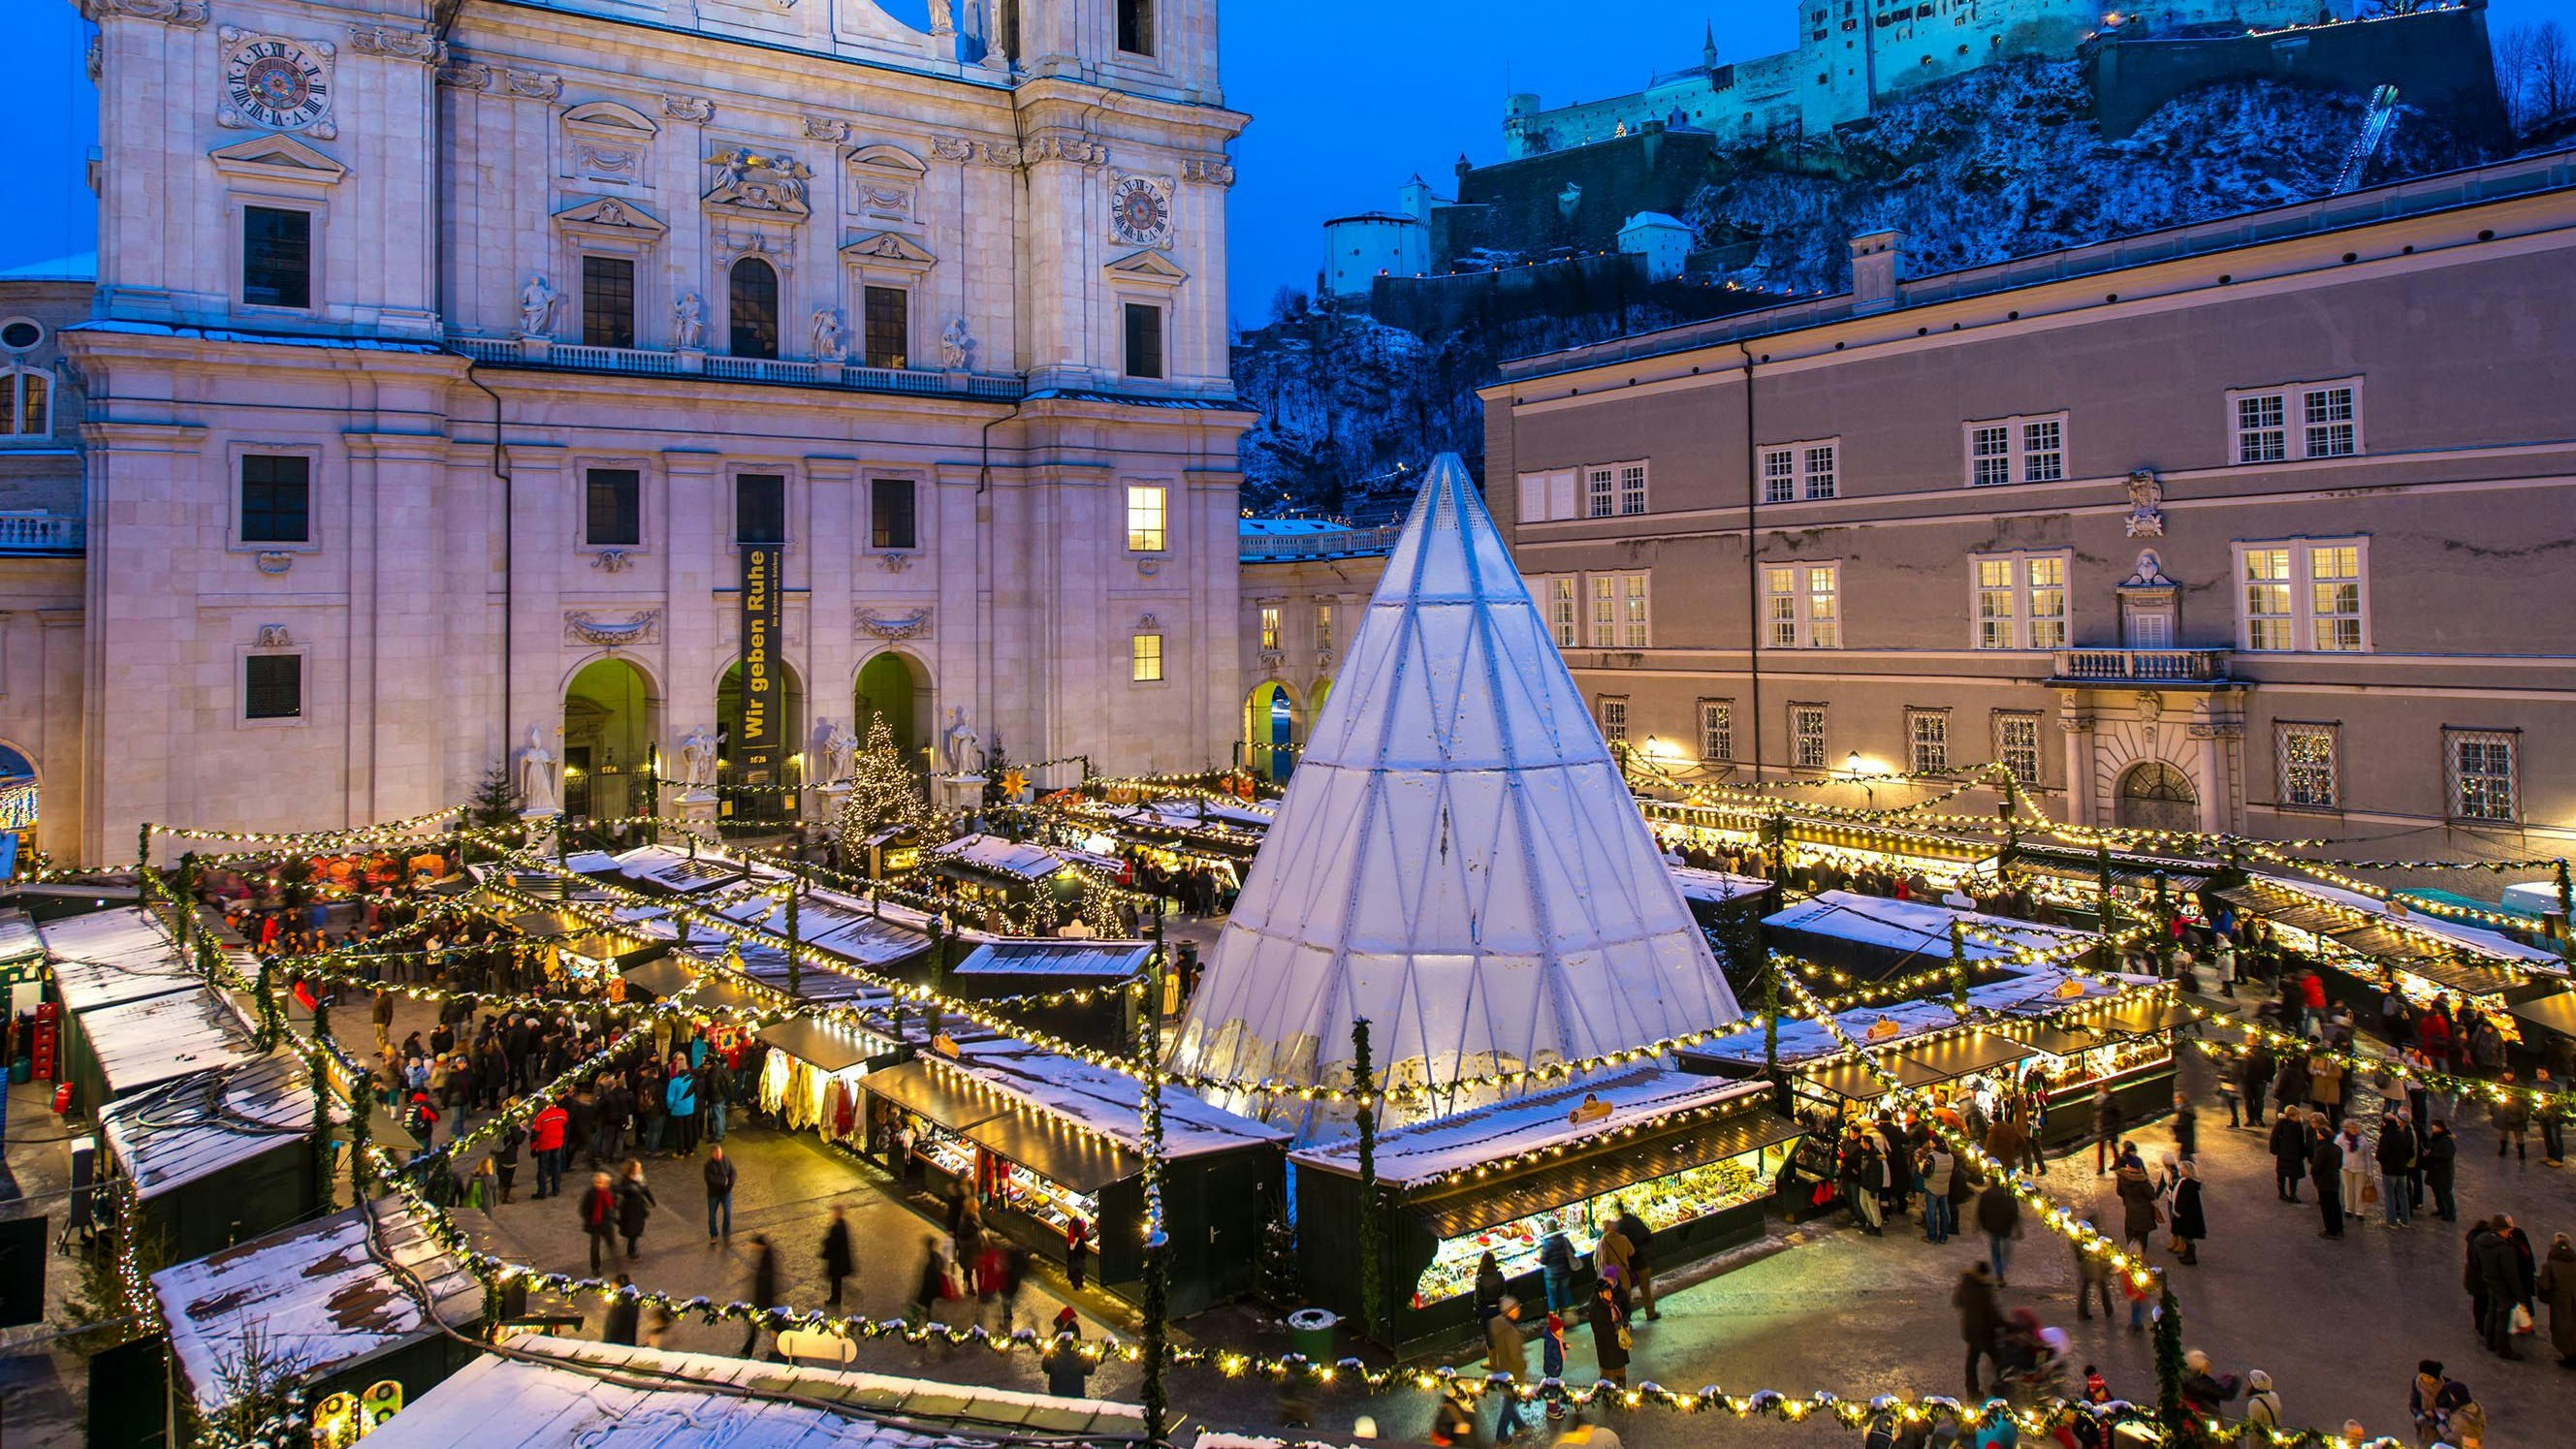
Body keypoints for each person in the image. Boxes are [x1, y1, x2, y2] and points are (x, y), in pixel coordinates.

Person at [2469, 1217, 2520, 1357]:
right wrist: (2519, 1294)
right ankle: (2504, 1349)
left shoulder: (2480, 1241)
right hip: (2503, 1287)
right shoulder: (2504, 1249)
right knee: (2503, 1319)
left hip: (2490, 1282)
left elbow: (2476, 1261)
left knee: (2491, 1312)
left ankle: (2490, 1341)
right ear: (2501, 1230)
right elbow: (2511, 1274)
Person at [1485, 1295, 1530, 1442]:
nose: (1519, 1310)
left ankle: (1519, 1425)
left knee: (1510, 1401)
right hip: (1513, 1372)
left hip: (1504, 1370)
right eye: (1516, 1308)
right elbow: (1514, 1356)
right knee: (1509, 1404)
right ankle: (1501, 1436)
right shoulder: (1509, 1331)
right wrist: (1523, 1365)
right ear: (1509, 1311)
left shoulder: (1499, 1326)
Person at [1955, 1262, 2003, 1398]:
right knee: (1998, 1360)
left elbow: (1957, 1301)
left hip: (1972, 1332)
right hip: (1986, 1333)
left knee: (1972, 1363)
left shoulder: (1966, 1286)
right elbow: (1992, 1313)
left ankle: (1972, 1393)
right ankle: (2001, 1387)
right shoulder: (1983, 1291)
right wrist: (2006, 1325)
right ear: (1983, 1275)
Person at [1611, 1201, 1658, 1321]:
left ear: (1618, 1211)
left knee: (1626, 1292)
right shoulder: (1636, 1221)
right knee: (1646, 1289)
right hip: (1642, 1261)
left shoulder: (1619, 1227)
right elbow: (1648, 1235)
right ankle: (1650, 1313)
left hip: (1628, 1266)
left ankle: (1626, 1317)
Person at [1975, 1176, 2020, 1285]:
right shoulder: (2009, 1195)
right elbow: (2014, 1212)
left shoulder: (1986, 1195)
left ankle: (1999, 1273)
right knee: (2006, 1251)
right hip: (2005, 1227)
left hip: (1992, 1228)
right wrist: (2017, 1227)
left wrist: (1980, 1224)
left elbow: (1981, 1211)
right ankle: (2001, 1272)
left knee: (1996, 1251)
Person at [2375, 1109, 2416, 1230]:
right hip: (2402, 1170)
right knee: (2403, 1195)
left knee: (2390, 1196)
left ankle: (2391, 1222)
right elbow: (2411, 1152)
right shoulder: (2405, 1135)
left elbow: (2380, 1155)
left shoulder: (2386, 1136)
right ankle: (2405, 1221)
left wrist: (2383, 1162)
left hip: (2389, 1170)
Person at [1586, 1276, 1630, 1388]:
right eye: (1606, 1293)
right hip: (1606, 1347)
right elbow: (1598, 1329)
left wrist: (1624, 1322)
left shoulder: (1614, 1303)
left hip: (1618, 1344)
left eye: (1610, 1291)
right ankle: (1608, 1392)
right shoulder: (1595, 1309)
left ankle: (1622, 1389)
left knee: (1621, 1370)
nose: (1610, 1294)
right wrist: (1614, 1328)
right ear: (1600, 1294)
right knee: (1608, 1373)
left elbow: (1623, 1313)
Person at [2308, 1114, 2345, 1239]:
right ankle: (2339, 1228)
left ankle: (2330, 1230)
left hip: (2324, 1180)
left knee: (2326, 1206)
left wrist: (2315, 1175)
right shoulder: (2337, 1148)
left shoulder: (2322, 1149)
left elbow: (2317, 1167)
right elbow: (2339, 1164)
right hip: (2334, 1179)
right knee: (2335, 1204)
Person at [1043, 1308, 1094, 1398]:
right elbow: (1089, 1370)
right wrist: (1089, 1356)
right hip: (1076, 1395)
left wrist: (1048, 1353)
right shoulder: (1080, 1351)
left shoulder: (1054, 1350)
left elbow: (1045, 1368)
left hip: (1056, 1394)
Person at [743, 1234, 778, 1357]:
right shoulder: (766, 1256)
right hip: (764, 1300)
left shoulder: (767, 1259)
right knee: (765, 1325)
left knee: (761, 1325)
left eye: (754, 1246)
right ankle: (748, 1351)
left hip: (764, 1300)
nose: (753, 1249)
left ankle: (747, 1352)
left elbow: (765, 1281)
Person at [616, 1158, 656, 1261]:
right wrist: (628, 1189)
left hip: (638, 1208)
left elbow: (645, 1190)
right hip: (629, 1210)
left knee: (636, 1229)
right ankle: (631, 1252)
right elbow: (619, 1191)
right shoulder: (625, 1181)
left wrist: (652, 1201)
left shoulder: (640, 1179)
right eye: (638, 1167)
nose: (640, 1168)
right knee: (633, 1231)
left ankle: (632, 1247)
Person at [530, 1095, 570, 1201]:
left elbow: (534, 1134)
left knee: (543, 1169)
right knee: (556, 1167)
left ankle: (542, 1192)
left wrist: (533, 1149)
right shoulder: (563, 1113)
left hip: (544, 1146)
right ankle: (556, 1190)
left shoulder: (541, 1116)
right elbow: (565, 1126)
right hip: (557, 1144)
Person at [580, 1171, 618, 1275]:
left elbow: (613, 1203)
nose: (604, 1185)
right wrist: (590, 1220)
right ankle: (595, 1267)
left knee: (611, 1243)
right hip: (595, 1224)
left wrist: (613, 1214)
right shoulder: (591, 1194)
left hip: (606, 1222)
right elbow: (584, 1209)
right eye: (601, 1183)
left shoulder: (609, 1192)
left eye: (606, 1183)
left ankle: (615, 1261)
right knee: (595, 1247)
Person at [2170, 1159, 2206, 1265]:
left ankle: (2191, 1256)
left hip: (2187, 1216)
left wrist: (2178, 1211)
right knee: (2185, 1235)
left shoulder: (2188, 1184)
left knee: (2188, 1236)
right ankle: (2188, 1254)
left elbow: (2184, 1200)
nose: (2180, 1171)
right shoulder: (2186, 1182)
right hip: (2185, 1214)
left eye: (2182, 1169)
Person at [1538, 1215, 1577, 1310]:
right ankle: (1570, 1312)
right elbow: (1573, 1251)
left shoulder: (1546, 1243)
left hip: (1551, 1275)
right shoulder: (1564, 1240)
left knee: (1552, 1296)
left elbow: (1543, 1261)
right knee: (1565, 1291)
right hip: (1565, 1272)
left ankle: (1554, 1315)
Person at [1921, 1141, 1956, 1244]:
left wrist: (1922, 1168)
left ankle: (1932, 1236)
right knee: (1944, 1213)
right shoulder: (1950, 1156)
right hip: (1944, 1187)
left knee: (1931, 1213)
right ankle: (1943, 1236)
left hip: (1932, 1188)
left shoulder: (1932, 1157)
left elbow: (1926, 1173)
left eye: (1932, 1143)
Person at [2424, 1119, 2460, 1221]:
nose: (2432, 1127)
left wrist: (2432, 1154)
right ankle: (2441, 1209)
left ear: (2440, 1128)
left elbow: (2448, 1155)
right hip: (2436, 1170)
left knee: (2445, 1193)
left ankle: (2450, 1214)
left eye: (2434, 1126)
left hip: (2444, 1172)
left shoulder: (2446, 1140)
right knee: (2437, 1191)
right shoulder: (2436, 1137)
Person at [2269, 1112, 2308, 1203]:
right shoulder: (2281, 1123)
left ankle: (2293, 1194)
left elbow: (2301, 1139)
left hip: (2295, 1153)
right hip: (2284, 1152)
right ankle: (2282, 1193)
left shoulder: (2298, 1124)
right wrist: (2274, 1149)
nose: (2299, 1117)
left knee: (2293, 1175)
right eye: (2297, 1115)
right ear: (2291, 1116)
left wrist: (2302, 1152)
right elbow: (2274, 1136)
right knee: (2282, 1173)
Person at [2434, 1379, 2485, 1449]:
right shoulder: (2474, 1408)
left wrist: (2441, 1427)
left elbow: (2454, 1439)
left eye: (2450, 1395)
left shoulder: (2461, 1418)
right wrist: (2448, 1413)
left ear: (2454, 1397)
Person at [2073, 1237, 2115, 1321]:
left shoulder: (2082, 1236)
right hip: (2093, 1262)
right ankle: (2108, 1309)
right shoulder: (2087, 1236)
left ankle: (2083, 1312)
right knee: (2100, 1285)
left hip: (2089, 1262)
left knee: (2087, 1286)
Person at [821, 1204, 855, 1307]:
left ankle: (835, 1299)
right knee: (836, 1280)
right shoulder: (842, 1225)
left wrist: (826, 1242)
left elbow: (834, 1243)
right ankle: (835, 1298)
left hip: (836, 1260)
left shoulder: (837, 1227)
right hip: (839, 1259)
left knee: (835, 1280)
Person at [2491, 1076, 2529, 1163]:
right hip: (2504, 1114)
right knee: (2504, 1132)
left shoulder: (2519, 1086)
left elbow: (2524, 1103)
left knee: (2518, 1134)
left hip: (2517, 1115)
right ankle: (2503, 1149)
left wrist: (2524, 1116)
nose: (2508, 1076)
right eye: (2506, 1074)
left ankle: (2521, 1152)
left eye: (2510, 1074)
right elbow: (2493, 1100)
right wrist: (2493, 1111)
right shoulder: (2499, 1085)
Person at [2408, 1361, 2447, 1447]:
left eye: (2429, 1377)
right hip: (2423, 1425)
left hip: (2440, 1425)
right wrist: (2422, 1414)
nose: (2426, 1379)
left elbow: (2448, 1407)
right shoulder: (2417, 1384)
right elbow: (2413, 1405)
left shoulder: (2446, 1386)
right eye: (2423, 1376)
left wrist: (2435, 1413)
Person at [2240, 1369, 2280, 1447]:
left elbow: (2253, 1431)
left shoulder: (2254, 1404)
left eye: (2249, 1382)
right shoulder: (2274, 1396)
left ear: (2254, 1385)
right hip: (2274, 1443)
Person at [704, 1144, 737, 1241]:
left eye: (720, 1153)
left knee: (727, 1212)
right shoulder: (708, 1166)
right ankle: (713, 1234)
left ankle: (726, 1234)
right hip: (713, 1194)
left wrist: (730, 1184)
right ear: (712, 1154)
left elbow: (733, 1172)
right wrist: (724, 1184)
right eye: (717, 1153)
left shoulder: (726, 1160)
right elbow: (710, 1180)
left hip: (726, 1192)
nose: (719, 1155)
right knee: (712, 1216)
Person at [2093, 1087, 2123, 1175]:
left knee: (2111, 1145)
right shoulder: (2099, 1099)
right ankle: (2102, 1166)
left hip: (2109, 1126)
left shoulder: (2111, 1101)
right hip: (2103, 1126)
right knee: (2103, 1146)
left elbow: (2118, 1114)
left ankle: (2115, 1163)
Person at [603, 1274, 640, 1345]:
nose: (612, 1289)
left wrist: (606, 1343)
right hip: (628, 1340)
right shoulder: (633, 1297)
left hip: (616, 1344)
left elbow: (613, 1326)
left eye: (614, 1287)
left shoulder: (619, 1303)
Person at [1474, 1248, 1507, 1324]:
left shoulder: (1479, 1279)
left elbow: (1478, 1299)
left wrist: (1476, 1314)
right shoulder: (1500, 1276)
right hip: (1499, 1308)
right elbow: (1504, 1293)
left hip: (1486, 1310)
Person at [1065, 1215, 1091, 1292]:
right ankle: (1079, 1283)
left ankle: (1076, 1284)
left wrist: (1071, 1252)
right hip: (1079, 1253)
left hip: (1075, 1254)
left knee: (1074, 1269)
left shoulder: (1074, 1227)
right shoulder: (1079, 1227)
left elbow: (1072, 1241)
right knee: (1079, 1269)